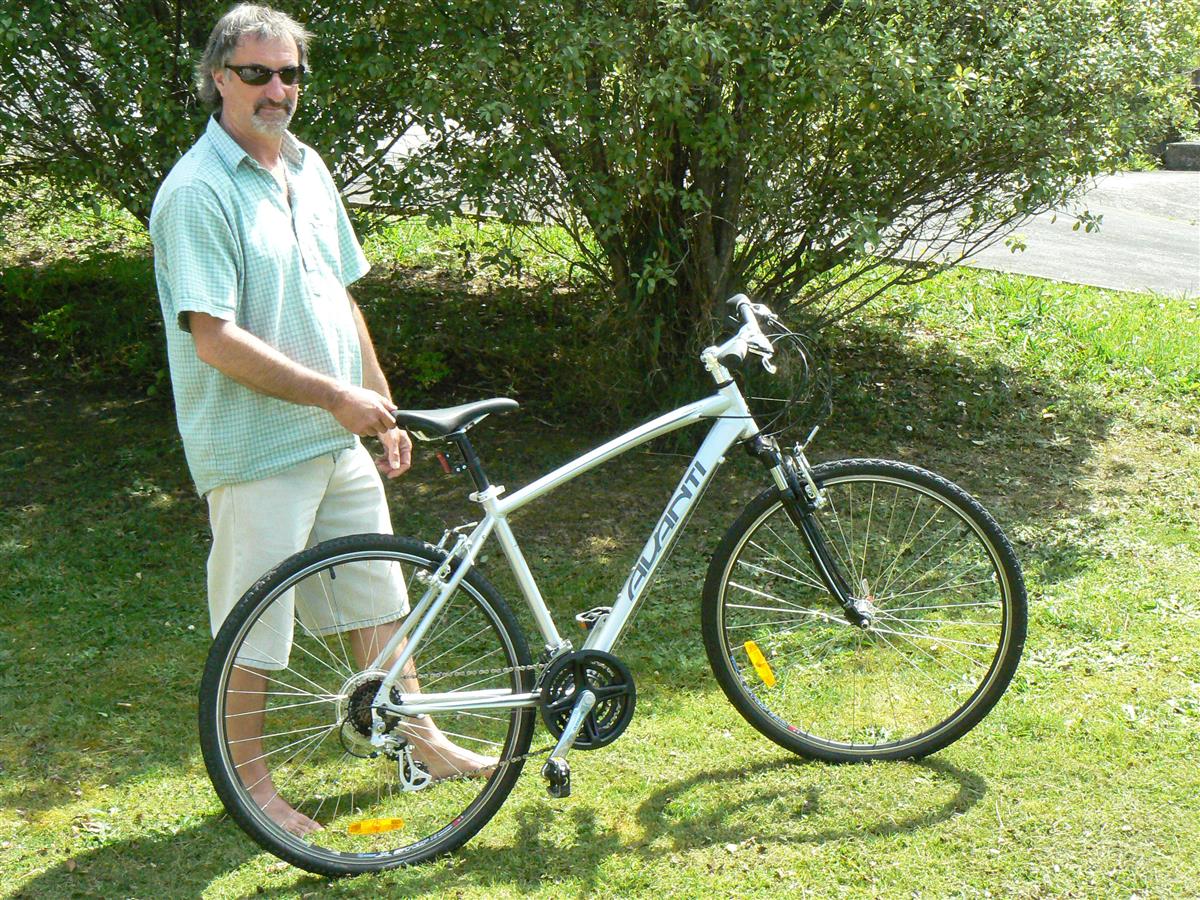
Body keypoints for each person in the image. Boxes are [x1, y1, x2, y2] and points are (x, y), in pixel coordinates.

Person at [149, 3, 491, 836]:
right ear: (219, 78)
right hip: (256, 450)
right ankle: (251, 789)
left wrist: (379, 406)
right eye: (257, 73)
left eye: (289, 73)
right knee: (253, 626)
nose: (276, 89)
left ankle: (423, 744)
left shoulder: (308, 166)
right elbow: (214, 339)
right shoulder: (196, 192)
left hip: (335, 437)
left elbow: (338, 294)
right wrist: (336, 397)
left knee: (379, 597)